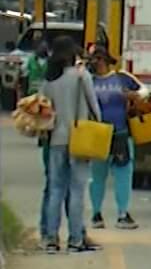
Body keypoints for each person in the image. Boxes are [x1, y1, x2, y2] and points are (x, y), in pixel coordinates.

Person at [39, 36, 102, 255]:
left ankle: (50, 239)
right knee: (77, 190)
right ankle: (76, 239)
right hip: (80, 138)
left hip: (56, 138)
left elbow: (43, 111)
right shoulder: (81, 75)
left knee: (56, 189)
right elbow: (95, 107)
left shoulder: (49, 81)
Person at [86, 46, 144, 230]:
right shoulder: (88, 80)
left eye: (99, 59)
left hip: (120, 132)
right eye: (94, 60)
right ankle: (96, 213)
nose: (97, 63)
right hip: (98, 133)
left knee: (123, 174)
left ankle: (122, 213)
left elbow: (144, 91)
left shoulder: (122, 77)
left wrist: (134, 96)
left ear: (106, 60)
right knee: (97, 176)